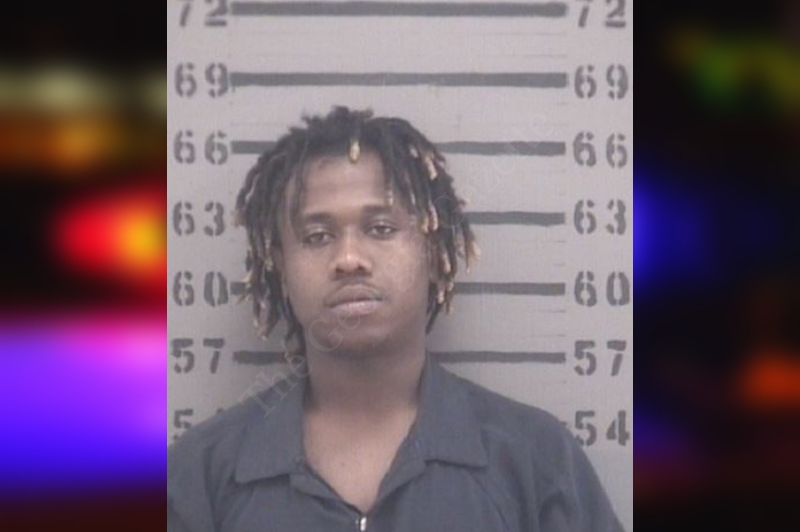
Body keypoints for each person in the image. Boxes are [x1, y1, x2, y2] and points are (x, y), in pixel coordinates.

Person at [168, 107, 624, 531]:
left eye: (381, 229)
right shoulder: (199, 476)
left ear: (435, 256)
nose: (349, 259)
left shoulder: (536, 462)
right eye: (318, 236)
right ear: (280, 270)